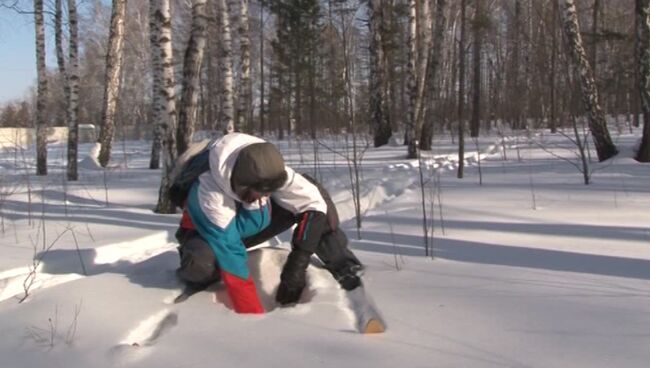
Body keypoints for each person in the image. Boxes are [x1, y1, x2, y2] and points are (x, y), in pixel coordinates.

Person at [172, 133, 364, 314]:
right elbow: (229, 249)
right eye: (262, 192)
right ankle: (202, 275)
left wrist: (297, 263)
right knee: (201, 266)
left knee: (315, 197)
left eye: (270, 192)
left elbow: (313, 203)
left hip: (249, 221)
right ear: (242, 186)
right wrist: (254, 316)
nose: (267, 196)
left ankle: (343, 265)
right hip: (207, 232)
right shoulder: (209, 191)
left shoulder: (266, 168)